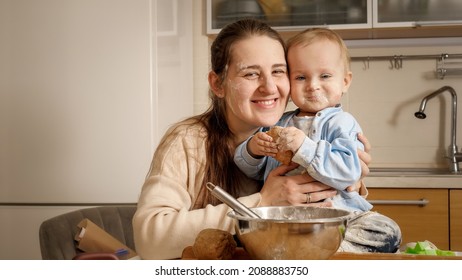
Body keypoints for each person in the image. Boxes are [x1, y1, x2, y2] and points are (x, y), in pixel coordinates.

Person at [133, 19, 399, 260]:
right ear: (218, 84)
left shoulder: (296, 131)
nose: (269, 87)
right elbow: (150, 242)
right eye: (251, 73)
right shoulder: (188, 140)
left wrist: (347, 179)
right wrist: (263, 202)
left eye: (278, 71)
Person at [234, 28, 372, 213]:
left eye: (325, 76)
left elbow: (348, 174)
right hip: (283, 216)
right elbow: (252, 171)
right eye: (301, 77)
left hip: (335, 214)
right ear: (289, 83)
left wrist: (303, 147)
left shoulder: (342, 123)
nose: (312, 86)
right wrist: (253, 150)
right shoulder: (278, 123)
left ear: (345, 82)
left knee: (386, 229)